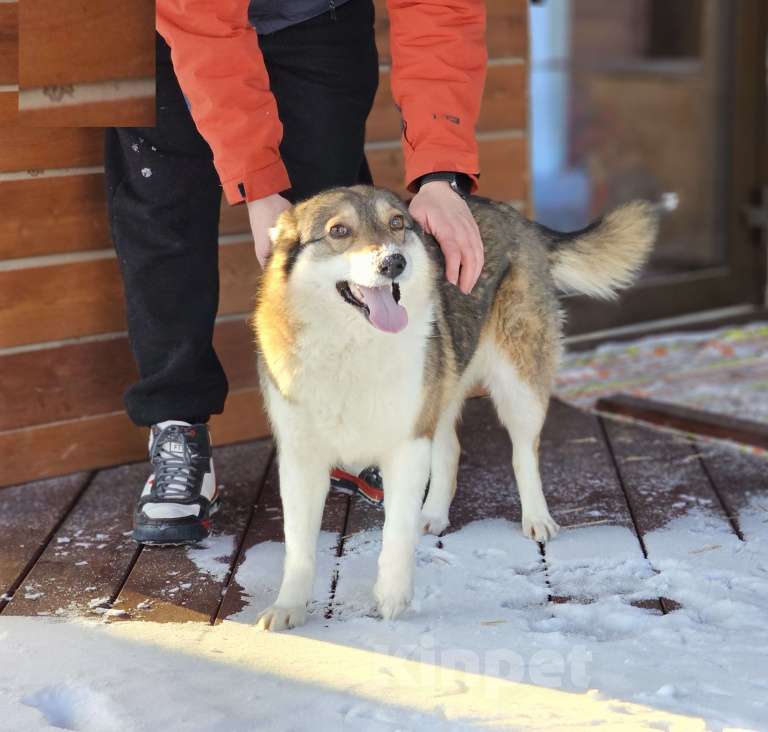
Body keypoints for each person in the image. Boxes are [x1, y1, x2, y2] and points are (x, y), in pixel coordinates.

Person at [105, 0, 487, 545]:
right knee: (163, 225)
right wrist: (258, 186)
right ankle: (176, 427)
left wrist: (440, 173)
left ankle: (353, 434)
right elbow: (203, 18)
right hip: (175, 25)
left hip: (318, 20)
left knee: (333, 214)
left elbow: (439, 7)